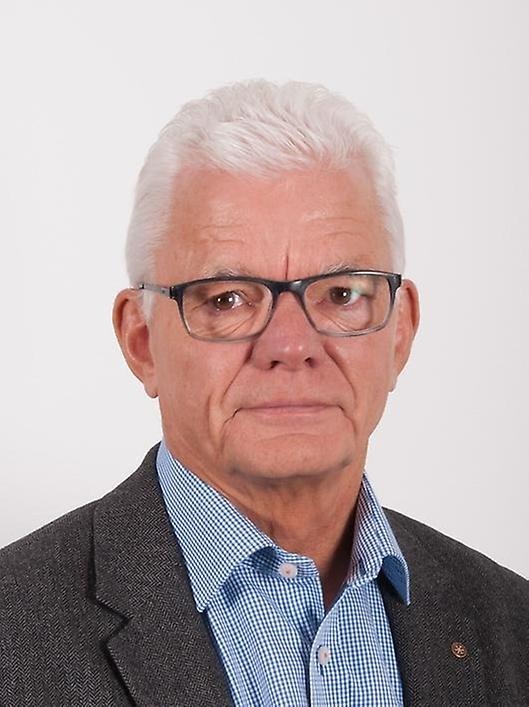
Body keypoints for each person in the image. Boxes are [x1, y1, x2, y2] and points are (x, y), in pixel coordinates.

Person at [0, 80, 527, 707]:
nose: (291, 344)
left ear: (400, 332)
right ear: (141, 342)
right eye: (227, 299)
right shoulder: (13, 633)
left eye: (342, 294)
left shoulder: (510, 625)